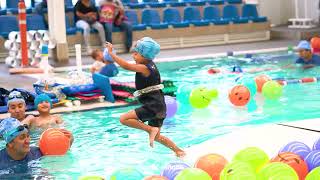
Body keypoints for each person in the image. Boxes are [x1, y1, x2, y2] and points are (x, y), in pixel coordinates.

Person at [105, 37, 185, 157]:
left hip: (152, 106)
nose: (133, 55)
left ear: (145, 56)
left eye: (136, 53)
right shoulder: (150, 65)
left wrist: (111, 54)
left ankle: (150, 129)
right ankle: (179, 151)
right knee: (157, 137)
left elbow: (126, 66)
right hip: (159, 105)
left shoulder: (144, 68)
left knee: (124, 119)